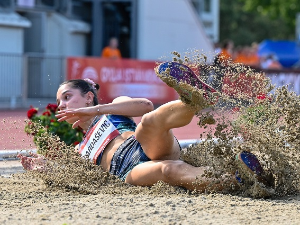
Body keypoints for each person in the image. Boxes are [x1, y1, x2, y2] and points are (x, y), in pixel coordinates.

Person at [18, 62, 267, 193]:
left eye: (67, 97)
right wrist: (40, 168)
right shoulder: (79, 147)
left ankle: (195, 101)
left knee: (147, 124)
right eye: (59, 100)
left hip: (143, 143)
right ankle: (239, 179)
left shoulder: (113, 107)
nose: (61, 104)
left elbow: (146, 105)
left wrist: (96, 111)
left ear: (88, 97)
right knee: (170, 170)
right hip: (129, 169)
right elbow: (69, 177)